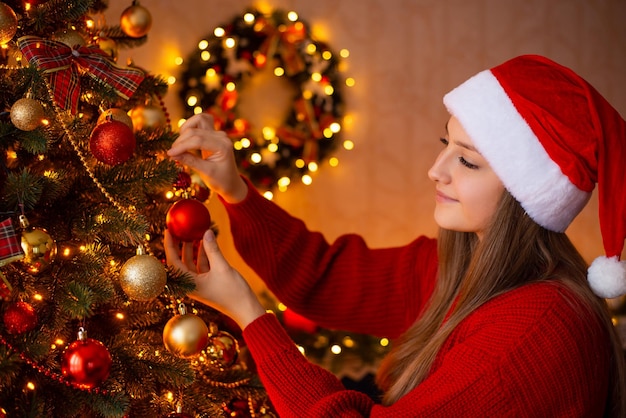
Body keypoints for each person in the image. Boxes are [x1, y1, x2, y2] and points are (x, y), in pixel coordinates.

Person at [164, 55, 626, 417]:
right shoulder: (460, 263)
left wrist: (249, 315)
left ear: (527, 192)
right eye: (446, 146)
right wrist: (235, 190)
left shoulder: (536, 332)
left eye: (467, 161)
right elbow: (325, 276)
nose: (436, 171)